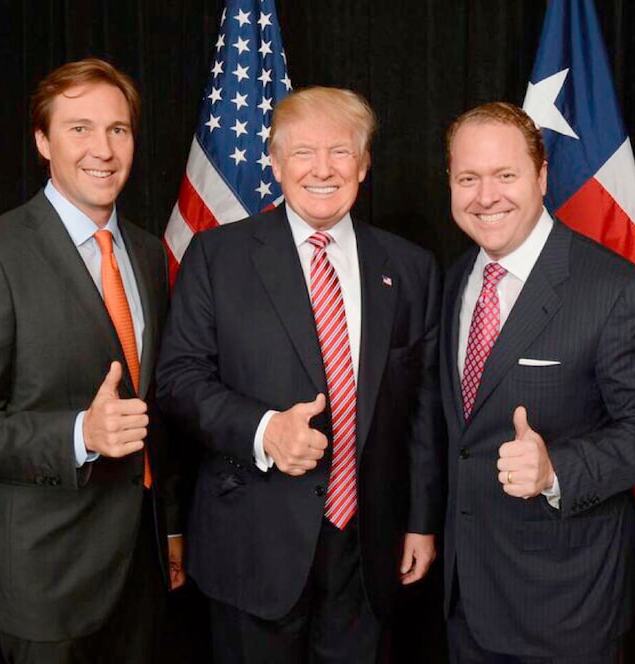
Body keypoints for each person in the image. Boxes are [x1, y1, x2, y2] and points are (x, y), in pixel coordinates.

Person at [157, 86, 443, 663]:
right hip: (252, 541)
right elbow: (179, 379)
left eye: (341, 151)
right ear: (276, 162)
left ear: (363, 165)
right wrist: (264, 430)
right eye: (303, 152)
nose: (322, 169)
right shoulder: (216, 257)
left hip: (368, 548)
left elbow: (422, 408)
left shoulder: (410, 267)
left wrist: (420, 521)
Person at [0, 58, 184, 663]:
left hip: (139, 573)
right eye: (79, 128)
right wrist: (78, 433)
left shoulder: (147, 253)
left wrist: (169, 524)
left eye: (118, 129)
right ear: (43, 142)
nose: (103, 149)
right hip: (45, 585)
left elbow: (157, 410)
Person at [439, 101, 635, 663]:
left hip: (563, 601)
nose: (486, 196)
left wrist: (557, 470)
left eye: (506, 175)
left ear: (542, 176)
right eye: (468, 178)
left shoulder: (614, 289)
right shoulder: (455, 279)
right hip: (465, 597)